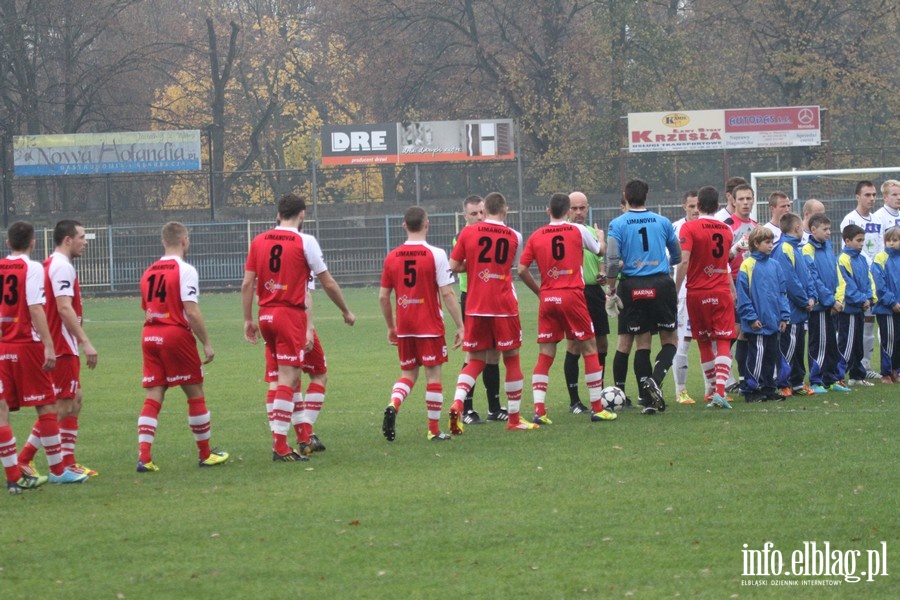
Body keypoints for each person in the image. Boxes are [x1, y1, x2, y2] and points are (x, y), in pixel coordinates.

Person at [242, 194, 355, 461]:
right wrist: (345, 310)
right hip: (290, 316)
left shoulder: (259, 241)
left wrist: (248, 319)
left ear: (278, 214)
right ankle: (280, 446)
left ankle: (304, 436)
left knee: (282, 378)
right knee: (290, 379)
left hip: (265, 315)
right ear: (302, 214)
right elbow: (327, 283)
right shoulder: (305, 241)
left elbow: (248, 284)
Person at [1, 222, 86, 492]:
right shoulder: (33, 267)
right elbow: (36, 308)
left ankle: (14, 476)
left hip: (2, 346)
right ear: (33, 242)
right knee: (49, 406)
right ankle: (56, 470)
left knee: (3, 414)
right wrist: (48, 345)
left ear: (7, 243)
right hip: (26, 344)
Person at [137, 222, 229, 472]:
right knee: (195, 392)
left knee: (154, 394)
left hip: (149, 335)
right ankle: (205, 454)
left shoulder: (148, 271)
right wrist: (206, 343)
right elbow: (191, 310)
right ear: (185, 240)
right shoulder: (185, 270)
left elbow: (144, 306)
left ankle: (144, 458)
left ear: (163, 241)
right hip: (174, 335)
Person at [518, 193, 617, 424]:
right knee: (589, 347)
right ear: (568, 212)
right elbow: (600, 252)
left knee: (546, 353)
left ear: (548, 211)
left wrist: (540, 292)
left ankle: (539, 411)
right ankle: (597, 408)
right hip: (572, 295)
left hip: (549, 298)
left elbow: (521, 269)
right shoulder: (578, 231)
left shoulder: (536, 235)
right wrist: (601, 238)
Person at [16, 220, 99, 479]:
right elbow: (64, 308)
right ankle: (24, 458)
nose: (85, 241)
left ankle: (69, 462)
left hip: (59, 345)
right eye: (82, 237)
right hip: (62, 346)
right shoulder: (62, 267)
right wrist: (85, 341)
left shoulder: (48, 264)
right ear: (67, 240)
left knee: (75, 401)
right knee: (59, 408)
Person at [448, 191, 537, 431]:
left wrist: (475, 265)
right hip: (503, 306)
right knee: (511, 357)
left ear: (485, 211)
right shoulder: (514, 235)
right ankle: (514, 419)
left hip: (476, 306)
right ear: (505, 209)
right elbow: (511, 266)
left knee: (475, 359)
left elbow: (453, 266)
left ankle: (458, 403)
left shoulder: (467, 232)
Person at [380, 207, 464, 441]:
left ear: (404, 225)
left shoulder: (392, 256)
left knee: (408, 374)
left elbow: (383, 297)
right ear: (427, 224)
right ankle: (434, 430)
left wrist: (391, 326)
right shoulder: (436, 254)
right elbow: (447, 294)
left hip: (405, 327)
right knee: (433, 377)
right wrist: (460, 325)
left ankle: (394, 403)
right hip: (429, 326)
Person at [606, 178, 681, 414]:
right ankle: (654, 383)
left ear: (625, 196)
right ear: (646, 196)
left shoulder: (617, 224)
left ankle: (645, 396)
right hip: (661, 283)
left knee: (642, 343)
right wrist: (658, 260)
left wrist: (611, 289)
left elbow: (610, 262)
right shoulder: (663, 221)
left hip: (632, 286)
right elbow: (677, 256)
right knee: (670, 340)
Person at [674, 186, 736, 408]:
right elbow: (724, 262)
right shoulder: (727, 230)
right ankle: (719, 390)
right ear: (718, 205)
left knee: (703, 341)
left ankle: (712, 390)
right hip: (720, 290)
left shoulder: (689, 228)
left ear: (698, 205)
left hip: (696, 293)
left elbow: (683, 261)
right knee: (723, 339)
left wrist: (676, 289)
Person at [454, 195, 504, 424]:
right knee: (473, 354)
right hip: (472, 299)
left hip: (493, 300)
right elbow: (456, 265)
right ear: (465, 216)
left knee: (494, 353)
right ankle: (466, 409)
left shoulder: (492, 233)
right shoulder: (463, 236)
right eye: (473, 214)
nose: (479, 217)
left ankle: (494, 407)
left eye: (481, 212)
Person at [562, 191, 610, 414]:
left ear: (588, 208)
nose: (579, 213)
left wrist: (601, 275)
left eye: (582, 208)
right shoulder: (562, 233)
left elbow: (600, 258)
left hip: (594, 292)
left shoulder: (591, 232)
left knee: (602, 344)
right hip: (574, 293)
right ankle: (574, 401)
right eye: (574, 208)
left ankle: (597, 394)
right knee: (574, 345)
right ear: (567, 209)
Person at [736, 227, 790, 402]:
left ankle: (769, 387)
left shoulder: (775, 265)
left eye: (772, 242)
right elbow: (743, 296)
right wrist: (751, 318)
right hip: (757, 323)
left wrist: (784, 316)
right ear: (756, 243)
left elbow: (782, 293)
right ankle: (751, 389)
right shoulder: (747, 265)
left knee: (771, 356)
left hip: (773, 321)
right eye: (767, 242)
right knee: (756, 356)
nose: (771, 245)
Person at [801, 214, 850, 393]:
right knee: (819, 343)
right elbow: (813, 278)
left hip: (832, 305)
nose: (829, 232)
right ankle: (816, 380)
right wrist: (829, 301)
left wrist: (838, 299)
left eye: (830, 229)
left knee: (831, 343)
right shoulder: (807, 249)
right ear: (813, 230)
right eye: (825, 229)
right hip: (821, 306)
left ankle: (831, 378)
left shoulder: (828, 248)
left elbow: (837, 274)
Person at [773, 213, 817, 397]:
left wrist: (812, 296)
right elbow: (789, 281)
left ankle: (797, 382)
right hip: (790, 309)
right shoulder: (784, 249)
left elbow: (807, 276)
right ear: (798, 228)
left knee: (798, 346)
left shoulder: (796, 248)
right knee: (788, 347)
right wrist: (803, 300)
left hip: (801, 309)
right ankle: (782, 383)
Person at [839, 181, 880, 378]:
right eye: (867, 195)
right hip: (856, 291)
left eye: (873, 194)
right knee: (852, 333)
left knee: (869, 325)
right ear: (857, 196)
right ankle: (844, 371)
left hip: (870, 282)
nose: (871, 198)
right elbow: (848, 261)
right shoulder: (850, 220)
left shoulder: (876, 218)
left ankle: (864, 366)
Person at [724, 183, 758, 390]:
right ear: (733, 201)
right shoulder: (727, 225)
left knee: (747, 331)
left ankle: (745, 378)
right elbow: (721, 258)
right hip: (734, 281)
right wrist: (735, 249)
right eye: (742, 199)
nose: (746, 203)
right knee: (733, 331)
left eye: (749, 199)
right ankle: (723, 378)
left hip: (752, 283)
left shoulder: (755, 226)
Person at [835, 224, 877, 387]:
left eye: (863, 240)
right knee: (846, 344)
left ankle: (857, 376)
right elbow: (846, 285)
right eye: (858, 240)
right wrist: (861, 299)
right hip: (849, 310)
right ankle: (838, 376)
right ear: (847, 241)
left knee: (858, 344)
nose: (861, 244)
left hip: (860, 308)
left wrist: (869, 299)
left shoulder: (861, 259)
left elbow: (868, 280)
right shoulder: (843, 259)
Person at [671, 190, 700, 404]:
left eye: (698, 205)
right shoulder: (676, 228)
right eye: (691, 206)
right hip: (684, 292)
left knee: (714, 339)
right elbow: (674, 262)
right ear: (684, 207)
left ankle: (714, 388)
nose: (695, 210)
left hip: (705, 289)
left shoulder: (707, 226)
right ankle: (680, 390)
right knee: (685, 339)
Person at [871, 226, 900, 383]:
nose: (891, 243)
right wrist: (892, 301)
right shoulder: (880, 258)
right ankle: (886, 372)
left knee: (899, 340)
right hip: (886, 309)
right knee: (889, 339)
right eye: (888, 240)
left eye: (895, 240)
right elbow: (879, 285)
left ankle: (896, 370)